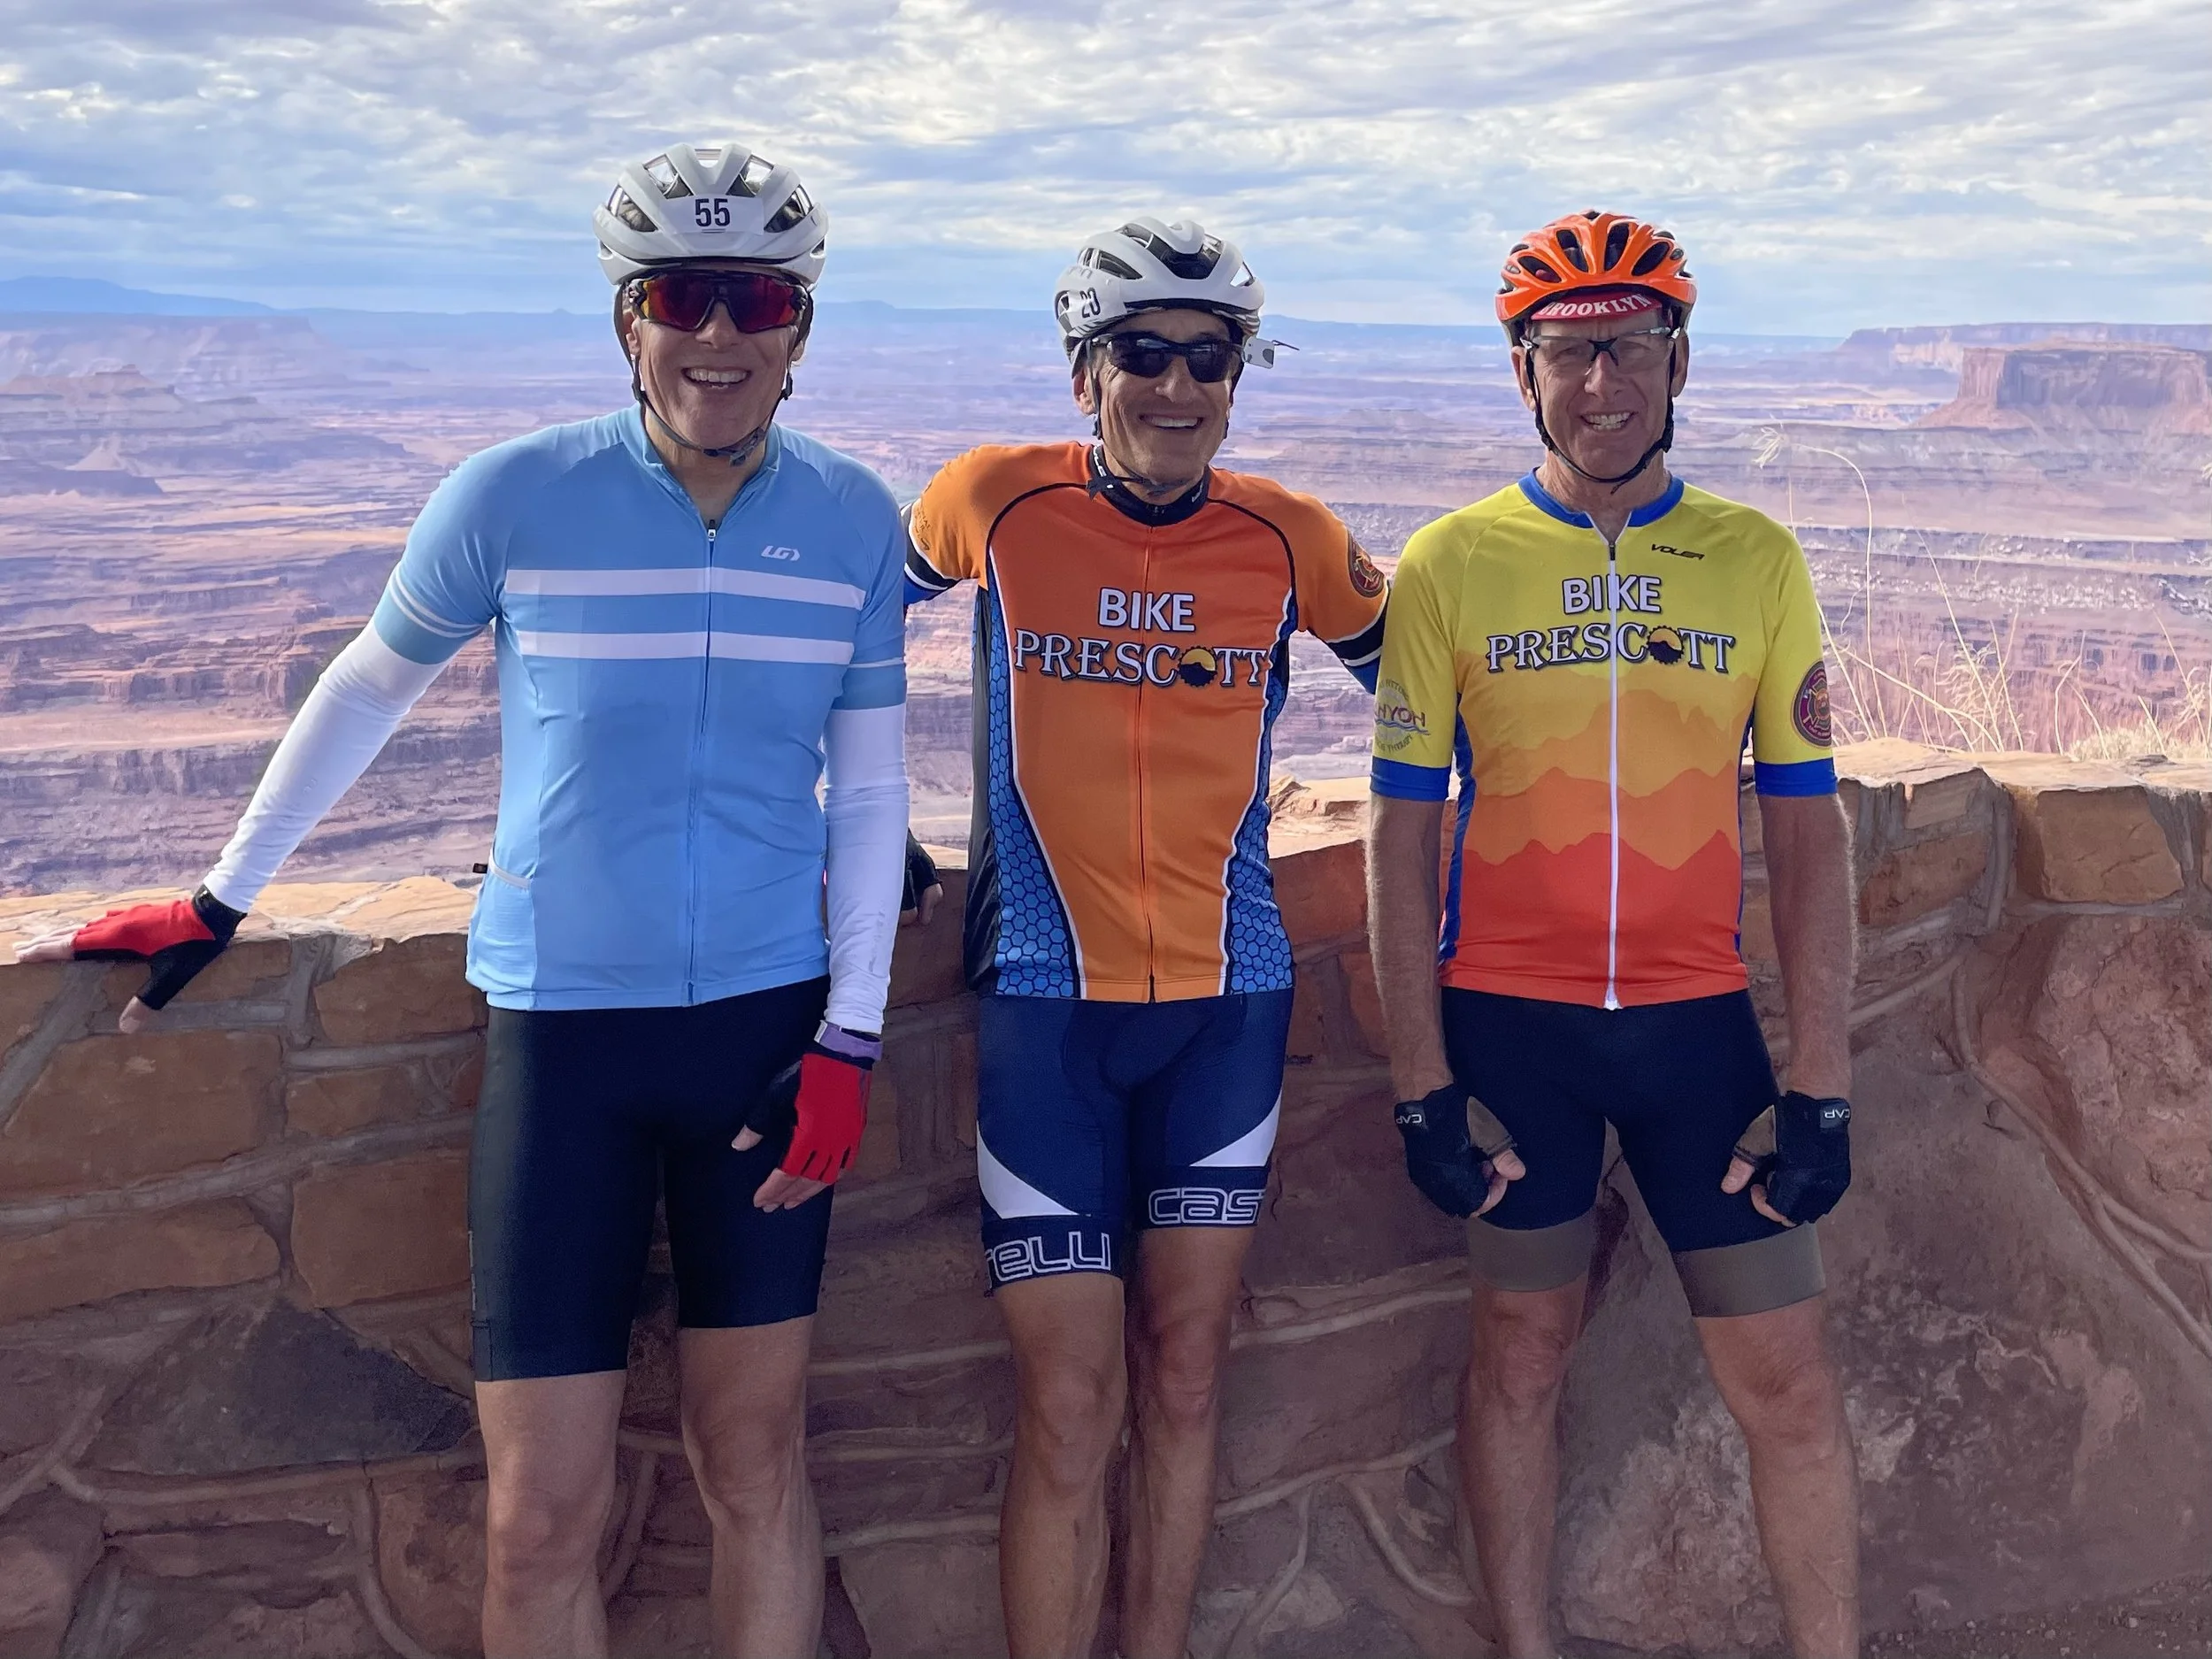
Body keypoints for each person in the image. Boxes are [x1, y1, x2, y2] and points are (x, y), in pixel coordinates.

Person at [19, 143, 910, 1659]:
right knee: (538, 1517)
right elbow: (368, 687)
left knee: (755, 1463)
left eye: (755, 299)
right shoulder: (515, 493)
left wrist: (854, 1036)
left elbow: (875, 790)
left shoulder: (851, 518)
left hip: (765, 1035)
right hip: (565, 1036)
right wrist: (222, 898)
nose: (718, 334)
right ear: (627, 318)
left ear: (800, 325)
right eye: (681, 297)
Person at [1364, 211, 1862, 1659]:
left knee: (1788, 1381)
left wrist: (1822, 1081)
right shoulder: (1452, 561)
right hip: (1510, 1031)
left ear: (1679, 362)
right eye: (1570, 352)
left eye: (1633, 348)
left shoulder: (1755, 558)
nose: (1603, 383)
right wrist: (1419, 1081)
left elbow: (1807, 829)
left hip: (1698, 1034)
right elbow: (1400, 834)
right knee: (1519, 1362)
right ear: (1523, 371)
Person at [902, 218, 1390, 1658]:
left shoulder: (1288, 535)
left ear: (1238, 376)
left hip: (1228, 1004)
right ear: (1084, 371)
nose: (1177, 387)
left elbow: (1433, 687)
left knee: (1184, 1377)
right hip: (1045, 1003)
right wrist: (832, 814)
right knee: (1071, 1402)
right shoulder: (992, 500)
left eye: (1211, 358)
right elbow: (832, 624)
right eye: (1142, 355)